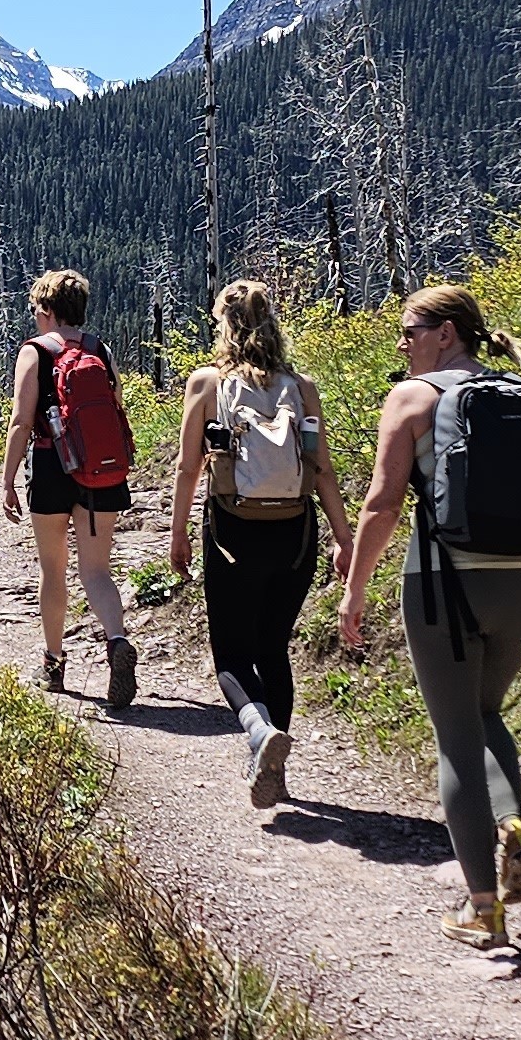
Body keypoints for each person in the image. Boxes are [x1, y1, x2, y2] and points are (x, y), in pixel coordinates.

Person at [337, 283, 521, 950]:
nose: (402, 342)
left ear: (446, 332)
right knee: (486, 715)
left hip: (445, 582)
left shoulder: (413, 398)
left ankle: (484, 906)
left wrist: (354, 591)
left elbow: (383, 503)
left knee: (454, 733)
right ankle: (513, 826)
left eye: (410, 329)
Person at [167, 281, 346, 809]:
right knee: (273, 648)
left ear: (224, 324)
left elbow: (186, 467)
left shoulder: (206, 384)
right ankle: (277, 772)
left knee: (231, 652)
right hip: (296, 534)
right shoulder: (302, 387)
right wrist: (344, 536)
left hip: (232, 533)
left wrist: (177, 532)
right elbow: (322, 469)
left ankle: (259, 733)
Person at [0, 269, 139, 704]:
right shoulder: (99, 350)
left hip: (51, 465)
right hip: (100, 468)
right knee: (97, 570)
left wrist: (7, 480)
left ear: (46, 310)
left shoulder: (35, 352)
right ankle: (117, 640)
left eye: (36, 311)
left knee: (53, 569)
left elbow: (23, 420)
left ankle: (54, 664)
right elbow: (114, 410)